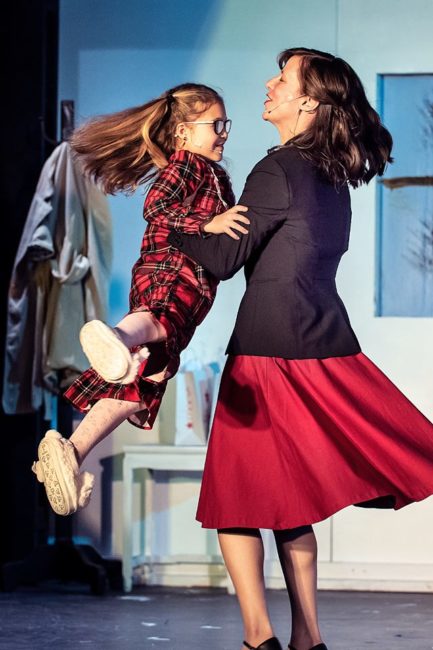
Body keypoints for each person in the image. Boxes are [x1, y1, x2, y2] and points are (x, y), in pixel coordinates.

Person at [167, 49, 433, 650]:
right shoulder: (331, 173)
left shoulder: (277, 168)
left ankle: (259, 639)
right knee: (290, 503)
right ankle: (307, 638)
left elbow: (225, 259)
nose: (268, 85)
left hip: (265, 354)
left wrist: (175, 226)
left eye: (281, 79)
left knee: (238, 502)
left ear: (308, 100)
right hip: (319, 343)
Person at [31, 83, 249, 518]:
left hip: (187, 283)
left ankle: (71, 452)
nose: (223, 132)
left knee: (143, 384)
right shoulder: (187, 165)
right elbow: (158, 207)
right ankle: (113, 337)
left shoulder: (210, 171)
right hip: (172, 269)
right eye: (215, 125)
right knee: (156, 320)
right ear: (184, 133)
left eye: (225, 124)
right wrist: (209, 221)